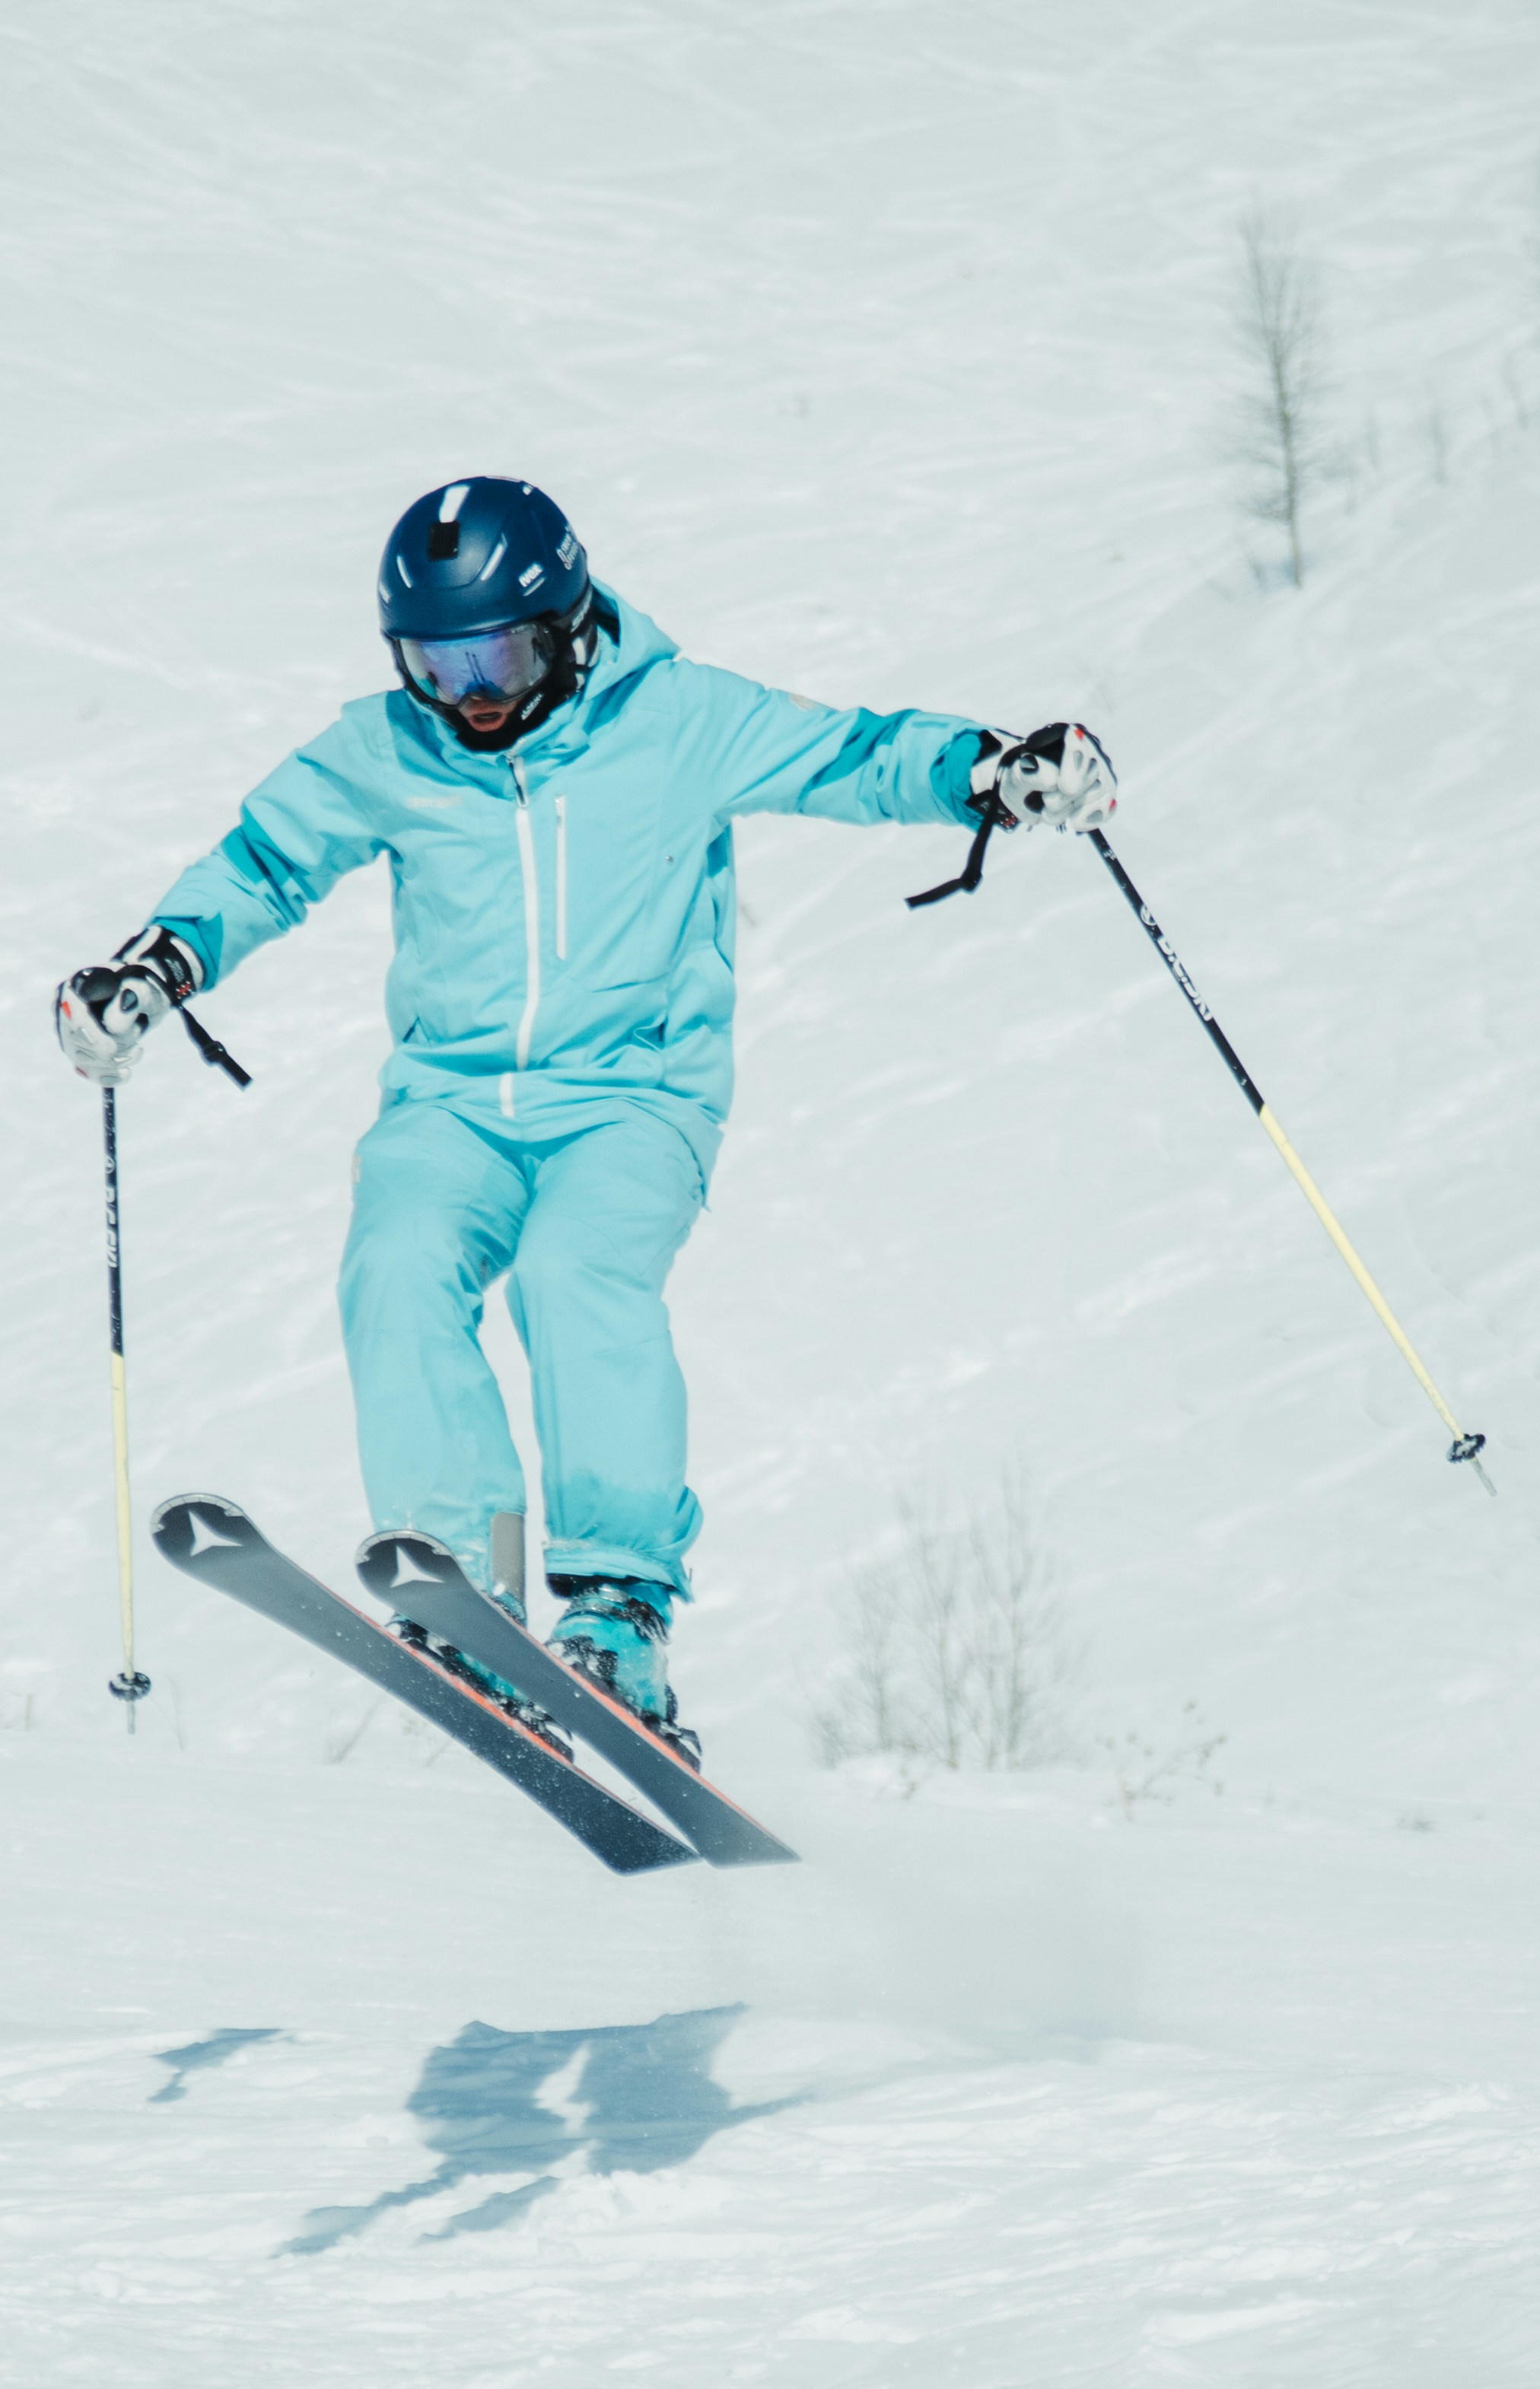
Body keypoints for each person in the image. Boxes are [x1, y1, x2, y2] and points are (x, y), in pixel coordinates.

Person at [58, 476, 1112, 1760]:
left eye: (495, 652)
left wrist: (986, 772)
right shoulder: (387, 747)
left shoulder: (676, 721)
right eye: (434, 664)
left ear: (563, 623)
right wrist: (158, 964)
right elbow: (265, 859)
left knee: (574, 1277)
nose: (472, 693)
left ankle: (618, 1614)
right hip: (451, 1104)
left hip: (633, 1099)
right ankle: (468, 1581)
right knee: (392, 1268)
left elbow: (852, 751)